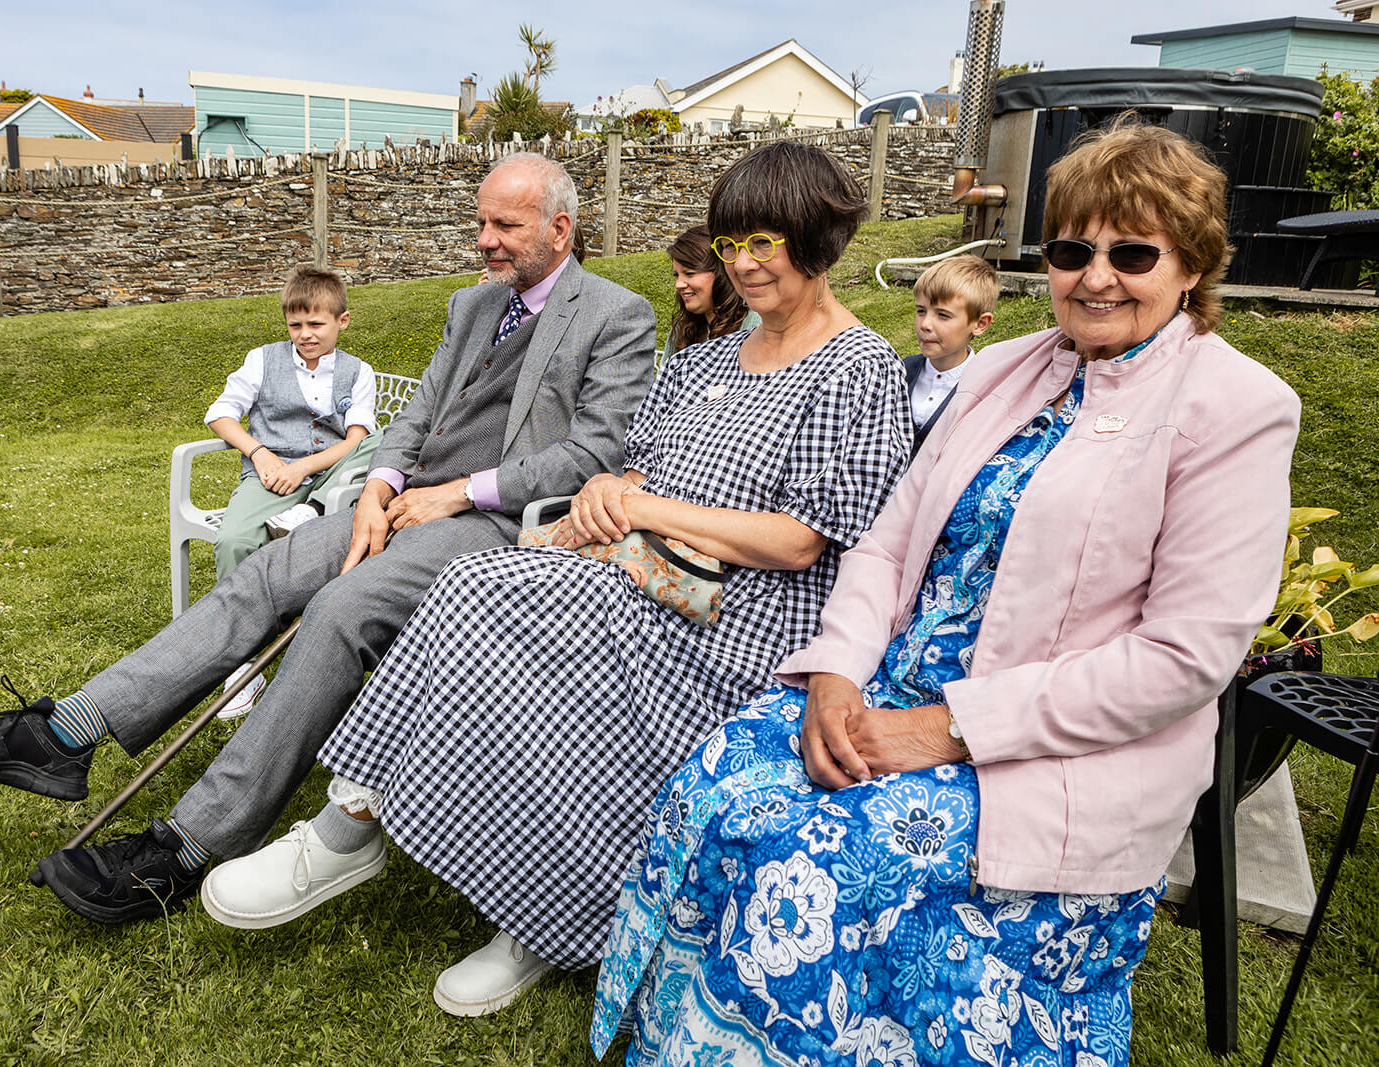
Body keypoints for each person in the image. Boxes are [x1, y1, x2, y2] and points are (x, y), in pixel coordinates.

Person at [591, 117, 1301, 1067]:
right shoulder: (1009, 369)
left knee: (823, 863)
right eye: (1069, 248)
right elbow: (888, 543)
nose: (1094, 276)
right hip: (890, 690)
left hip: (1043, 755)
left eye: (1131, 251)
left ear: (1192, 264)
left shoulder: (1237, 408)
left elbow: (1181, 660)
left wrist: (941, 731)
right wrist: (838, 674)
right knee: (717, 781)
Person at [198, 142, 913, 1020]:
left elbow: (803, 540)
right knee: (475, 585)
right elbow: (635, 467)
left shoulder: (859, 366)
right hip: (641, 573)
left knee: (520, 626)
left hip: (741, 617)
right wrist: (616, 491)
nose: (746, 264)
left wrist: (646, 512)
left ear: (821, 241)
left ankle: (530, 918)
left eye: (767, 242)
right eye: (733, 244)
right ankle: (352, 824)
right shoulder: (708, 359)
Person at [0, 151, 658, 926]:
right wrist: (378, 489)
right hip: (406, 505)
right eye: (480, 222)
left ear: (560, 228)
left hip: (500, 527)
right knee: (265, 575)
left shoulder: (616, 315)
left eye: (504, 224)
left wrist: (457, 494)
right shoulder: (471, 309)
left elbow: (593, 454)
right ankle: (63, 734)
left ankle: (188, 844)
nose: (484, 240)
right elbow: (415, 420)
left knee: (338, 609)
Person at [202, 265, 382, 718]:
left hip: (332, 475)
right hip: (272, 473)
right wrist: (260, 454)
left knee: (379, 440)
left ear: (342, 321)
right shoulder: (262, 359)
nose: (304, 334)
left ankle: (311, 511)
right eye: (295, 325)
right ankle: (242, 661)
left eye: (315, 324)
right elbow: (220, 416)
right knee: (234, 540)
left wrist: (307, 468)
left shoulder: (360, 373)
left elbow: (356, 439)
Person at [903, 254, 997, 454]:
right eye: (921, 311)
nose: (925, 325)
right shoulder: (899, 372)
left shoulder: (986, 389)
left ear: (980, 324)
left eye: (943, 315)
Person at [661, 224, 759, 362]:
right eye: (676, 275)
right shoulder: (682, 329)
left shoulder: (752, 322)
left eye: (689, 274)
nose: (679, 284)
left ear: (721, 272)